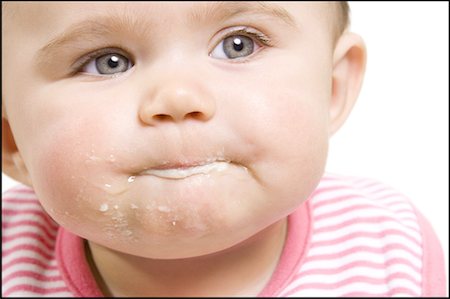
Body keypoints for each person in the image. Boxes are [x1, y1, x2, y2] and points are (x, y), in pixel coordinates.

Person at [1, 2, 446, 297]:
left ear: (330, 88)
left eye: (239, 45)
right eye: (107, 62)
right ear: (12, 139)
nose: (178, 99)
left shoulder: (383, 248)